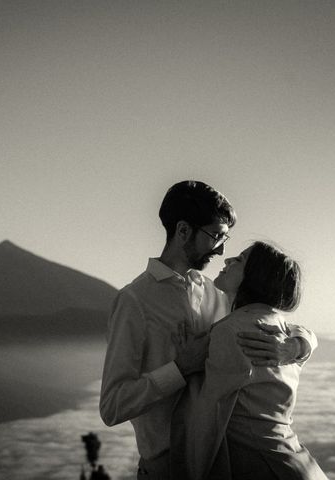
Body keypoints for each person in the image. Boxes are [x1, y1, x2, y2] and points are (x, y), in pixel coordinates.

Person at [99, 181, 317, 480]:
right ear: (183, 230)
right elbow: (112, 406)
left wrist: (296, 346)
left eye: (226, 238)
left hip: (222, 465)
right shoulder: (134, 301)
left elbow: (270, 320)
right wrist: (179, 368)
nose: (223, 249)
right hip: (165, 468)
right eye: (215, 236)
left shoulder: (218, 294)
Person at [170, 241, 327, 480]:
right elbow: (305, 332)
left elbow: (208, 421)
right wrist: (298, 345)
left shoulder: (231, 331)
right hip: (296, 462)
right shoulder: (281, 327)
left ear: (255, 276)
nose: (227, 261)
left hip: (266, 467)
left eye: (240, 259)